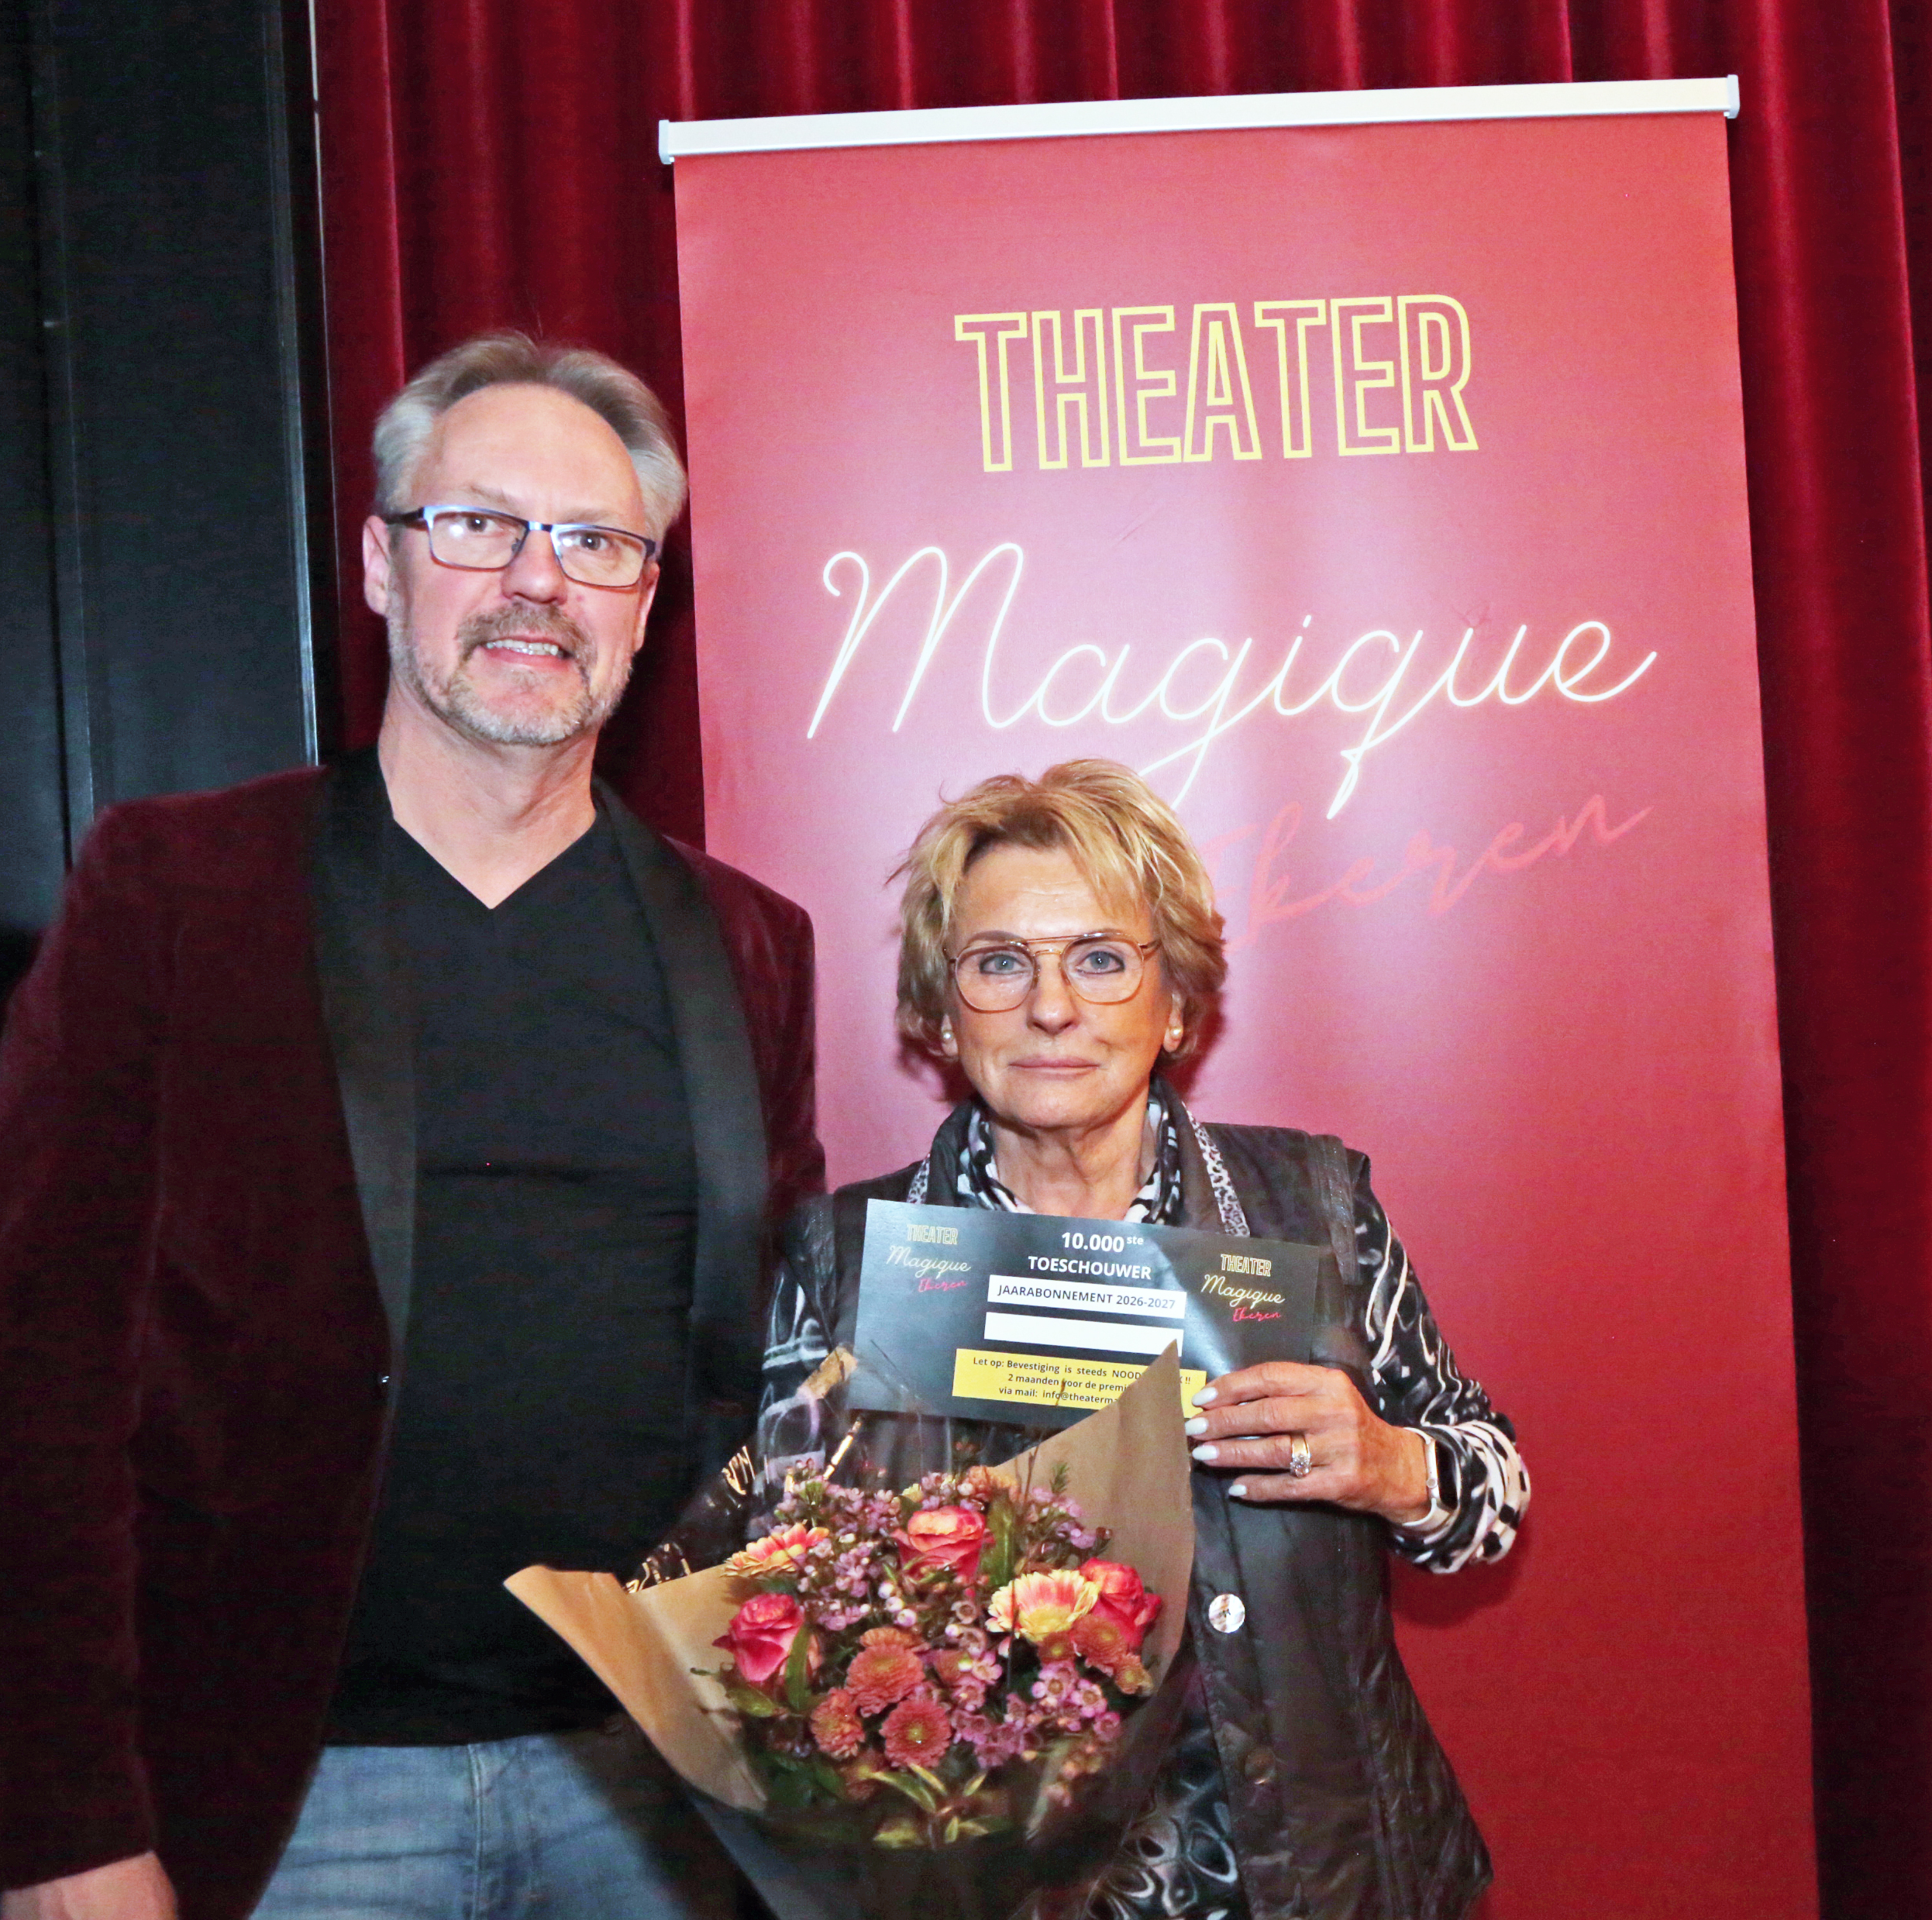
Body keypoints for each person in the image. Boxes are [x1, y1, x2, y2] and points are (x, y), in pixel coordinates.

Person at [0, 333, 824, 1920]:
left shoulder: (747, 944)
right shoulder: (179, 894)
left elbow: (779, 1384)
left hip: (651, 1796)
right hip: (283, 1797)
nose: (536, 579)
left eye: (592, 541)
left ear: (644, 600)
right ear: (382, 566)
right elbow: (34, 1361)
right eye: (478, 524)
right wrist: (58, 1820)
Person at [760, 761, 1527, 1920]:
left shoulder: (1311, 1210)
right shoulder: (848, 1261)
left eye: (1101, 958)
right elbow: (768, 1604)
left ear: (1173, 1006)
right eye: (998, 962)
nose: (1051, 1007)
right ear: (941, 1014)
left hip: (1313, 1882)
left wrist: (1387, 1463)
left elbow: (1492, 1496)